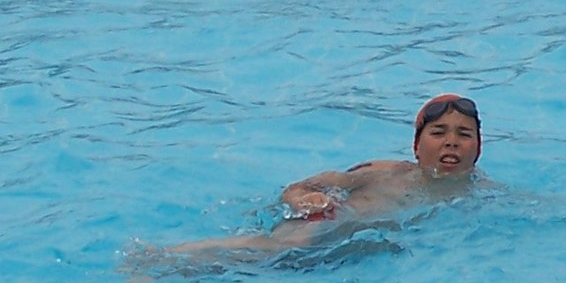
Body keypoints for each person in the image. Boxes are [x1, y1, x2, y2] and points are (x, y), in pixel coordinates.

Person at [161, 94, 483, 261]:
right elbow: (301, 187)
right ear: (416, 147)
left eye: (464, 134)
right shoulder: (384, 171)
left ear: (478, 149)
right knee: (271, 251)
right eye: (438, 132)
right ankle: (162, 259)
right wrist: (304, 199)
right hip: (319, 227)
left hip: (346, 250)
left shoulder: (481, 193)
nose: (451, 142)